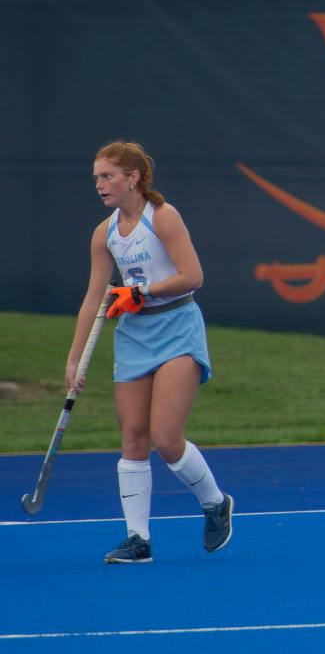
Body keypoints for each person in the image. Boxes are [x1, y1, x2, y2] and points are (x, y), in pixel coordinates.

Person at [67, 142, 232, 564]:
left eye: (108, 176)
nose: (100, 185)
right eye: (96, 178)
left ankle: (215, 503)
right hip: (135, 335)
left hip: (177, 327)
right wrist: (74, 359)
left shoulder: (164, 217)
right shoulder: (103, 234)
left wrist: (140, 292)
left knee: (166, 438)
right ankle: (138, 540)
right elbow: (94, 299)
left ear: (133, 177)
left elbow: (192, 276)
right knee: (133, 438)